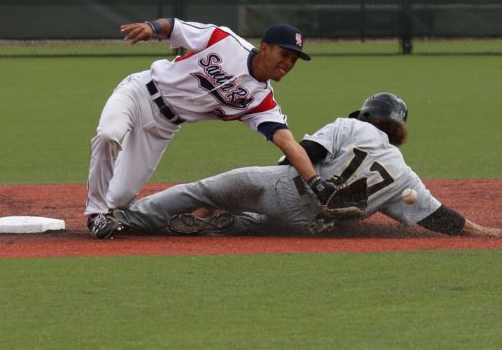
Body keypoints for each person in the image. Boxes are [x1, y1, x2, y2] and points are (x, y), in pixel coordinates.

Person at [92, 92, 502, 239]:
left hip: (282, 188)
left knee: (201, 190)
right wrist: (488, 232)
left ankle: (128, 220)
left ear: (367, 115)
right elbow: (439, 218)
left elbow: (304, 155)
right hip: (309, 223)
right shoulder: (405, 176)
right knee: (257, 223)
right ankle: (227, 222)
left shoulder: (353, 126)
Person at [85, 18, 337, 236]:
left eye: (294, 59)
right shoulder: (225, 41)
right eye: (285, 54)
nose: (288, 63)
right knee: (109, 134)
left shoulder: (261, 102)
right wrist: (152, 27)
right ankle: (95, 215)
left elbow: (287, 142)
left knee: (118, 200)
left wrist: (316, 182)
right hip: (139, 92)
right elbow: (175, 26)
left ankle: (107, 208)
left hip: (162, 127)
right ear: (265, 49)